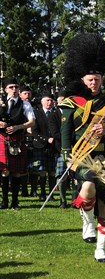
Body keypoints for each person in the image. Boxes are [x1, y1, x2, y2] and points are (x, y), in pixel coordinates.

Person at [59, 33, 105, 262]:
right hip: (82, 156)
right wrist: (67, 158)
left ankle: (101, 249)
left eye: (97, 79)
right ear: (82, 79)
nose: (94, 82)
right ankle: (87, 219)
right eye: (90, 79)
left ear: (102, 79)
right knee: (88, 185)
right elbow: (65, 134)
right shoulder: (71, 103)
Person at [0, 78, 36, 209]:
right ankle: (4, 201)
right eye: (11, 87)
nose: (14, 89)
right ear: (5, 89)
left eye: (16, 87)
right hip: (2, 138)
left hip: (17, 138)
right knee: (4, 171)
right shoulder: (0, 101)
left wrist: (18, 127)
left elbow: (32, 122)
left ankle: (15, 201)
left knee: (16, 172)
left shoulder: (25, 104)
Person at [30, 92, 59, 202]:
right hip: (40, 146)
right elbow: (34, 131)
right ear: (42, 101)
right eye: (47, 100)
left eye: (51, 100)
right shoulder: (36, 113)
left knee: (52, 171)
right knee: (42, 171)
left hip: (54, 146)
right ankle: (42, 193)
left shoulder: (56, 113)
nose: (50, 102)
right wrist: (46, 139)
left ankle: (51, 195)